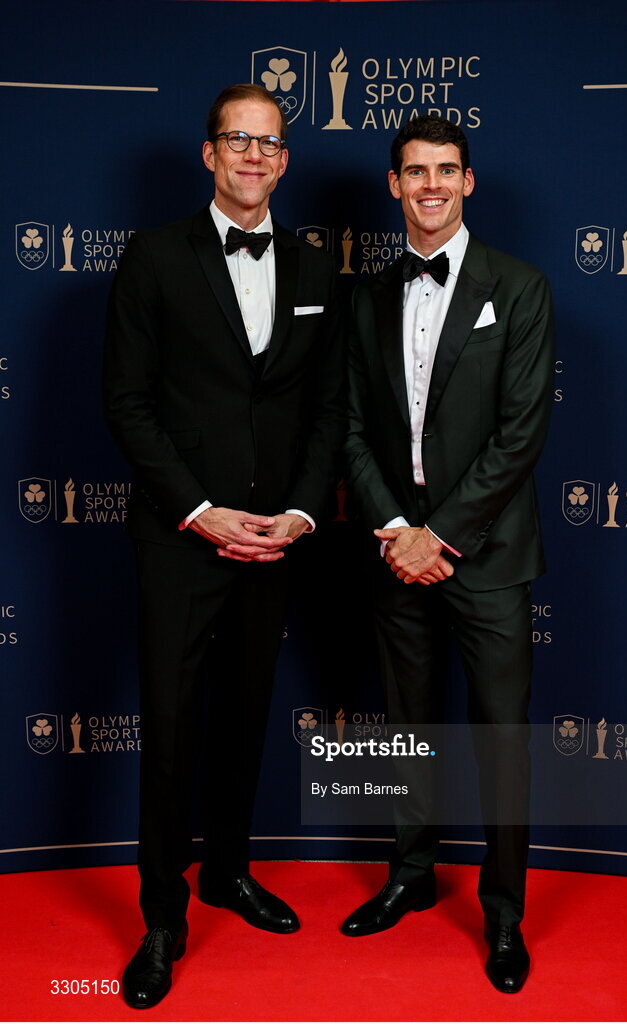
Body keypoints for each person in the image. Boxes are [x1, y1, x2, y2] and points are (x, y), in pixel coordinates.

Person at [103, 83, 344, 1009]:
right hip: (181, 538)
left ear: (285, 160)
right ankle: (162, 916)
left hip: (276, 538)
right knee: (170, 729)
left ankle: (228, 871)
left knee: (246, 715)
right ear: (210, 154)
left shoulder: (318, 268)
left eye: (269, 143)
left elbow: (327, 409)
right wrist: (199, 510)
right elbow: (126, 401)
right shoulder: (154, 257)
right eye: (237, 141)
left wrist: (300, 514)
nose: (254, 157)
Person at [342, 114, 554, 994]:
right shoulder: (365, 296)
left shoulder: (521, 285)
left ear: (469, 182)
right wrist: (398, 531)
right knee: (406, 730)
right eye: (414, 171)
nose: (430, 185)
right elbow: (351, 429)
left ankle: (503, 914)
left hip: (489, 553)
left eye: (446, 171)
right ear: (393, 185)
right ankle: (411, 872)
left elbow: (522, 432)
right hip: (398, 553)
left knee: (501, 741)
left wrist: (445, 534)